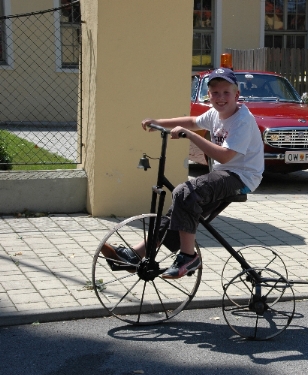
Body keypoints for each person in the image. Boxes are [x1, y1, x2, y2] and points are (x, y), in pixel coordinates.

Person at [101, 68, 264, 279]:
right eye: (215, 93)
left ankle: (188, 256)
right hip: (225, 173)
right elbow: (192, 122)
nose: (220, 98)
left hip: (242, 177)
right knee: (180, 208)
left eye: (226, 93)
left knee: (186, 191)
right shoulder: (216, 113)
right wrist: (158, 123)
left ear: (236, 95)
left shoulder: (242, 120)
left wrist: (189, 136)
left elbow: (224, 156)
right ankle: (136, 254)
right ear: (209, 96)